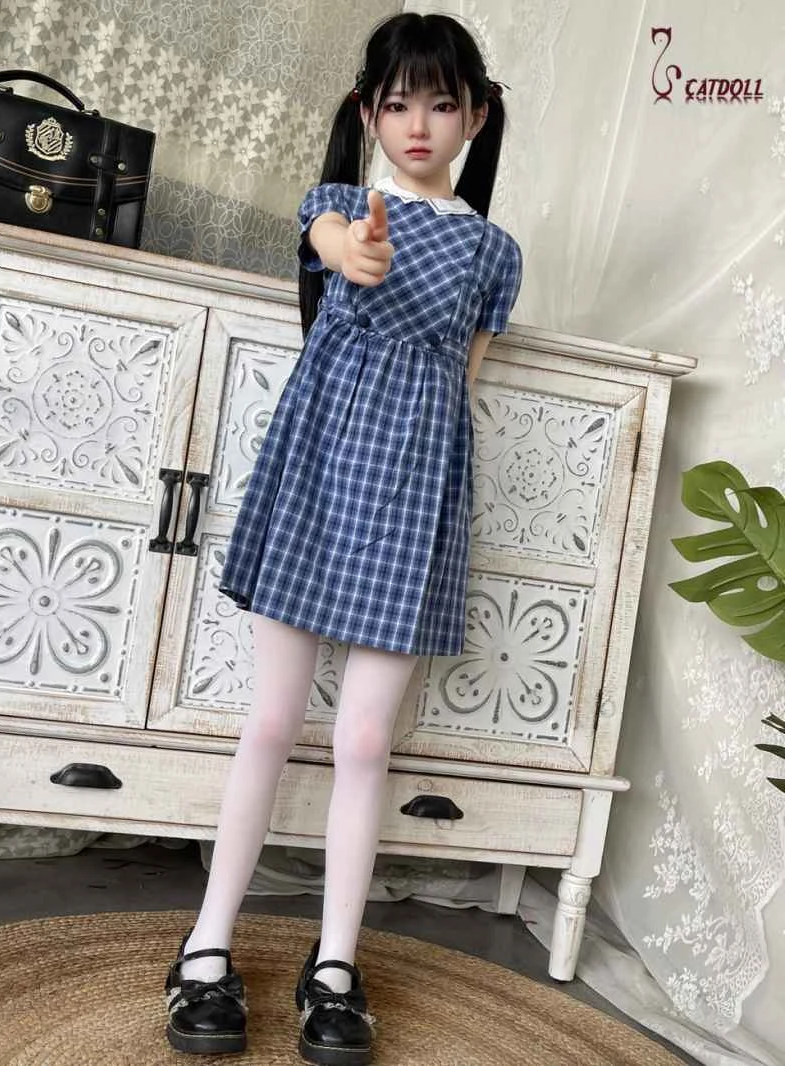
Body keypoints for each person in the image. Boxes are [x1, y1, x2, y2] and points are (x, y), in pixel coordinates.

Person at [163, 11, 523, 1065]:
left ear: (475, 117)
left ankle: (334, 967)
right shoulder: (336, 206)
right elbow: (337, 246)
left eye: (442, 103)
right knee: (272, 720)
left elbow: (461, 383)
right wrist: (354, 249)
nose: (419, 124)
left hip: (413, 498)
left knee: (365, 741)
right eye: (398, 103)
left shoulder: (494, 252)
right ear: (368, 113)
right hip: (318, 476)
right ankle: (206, 946)